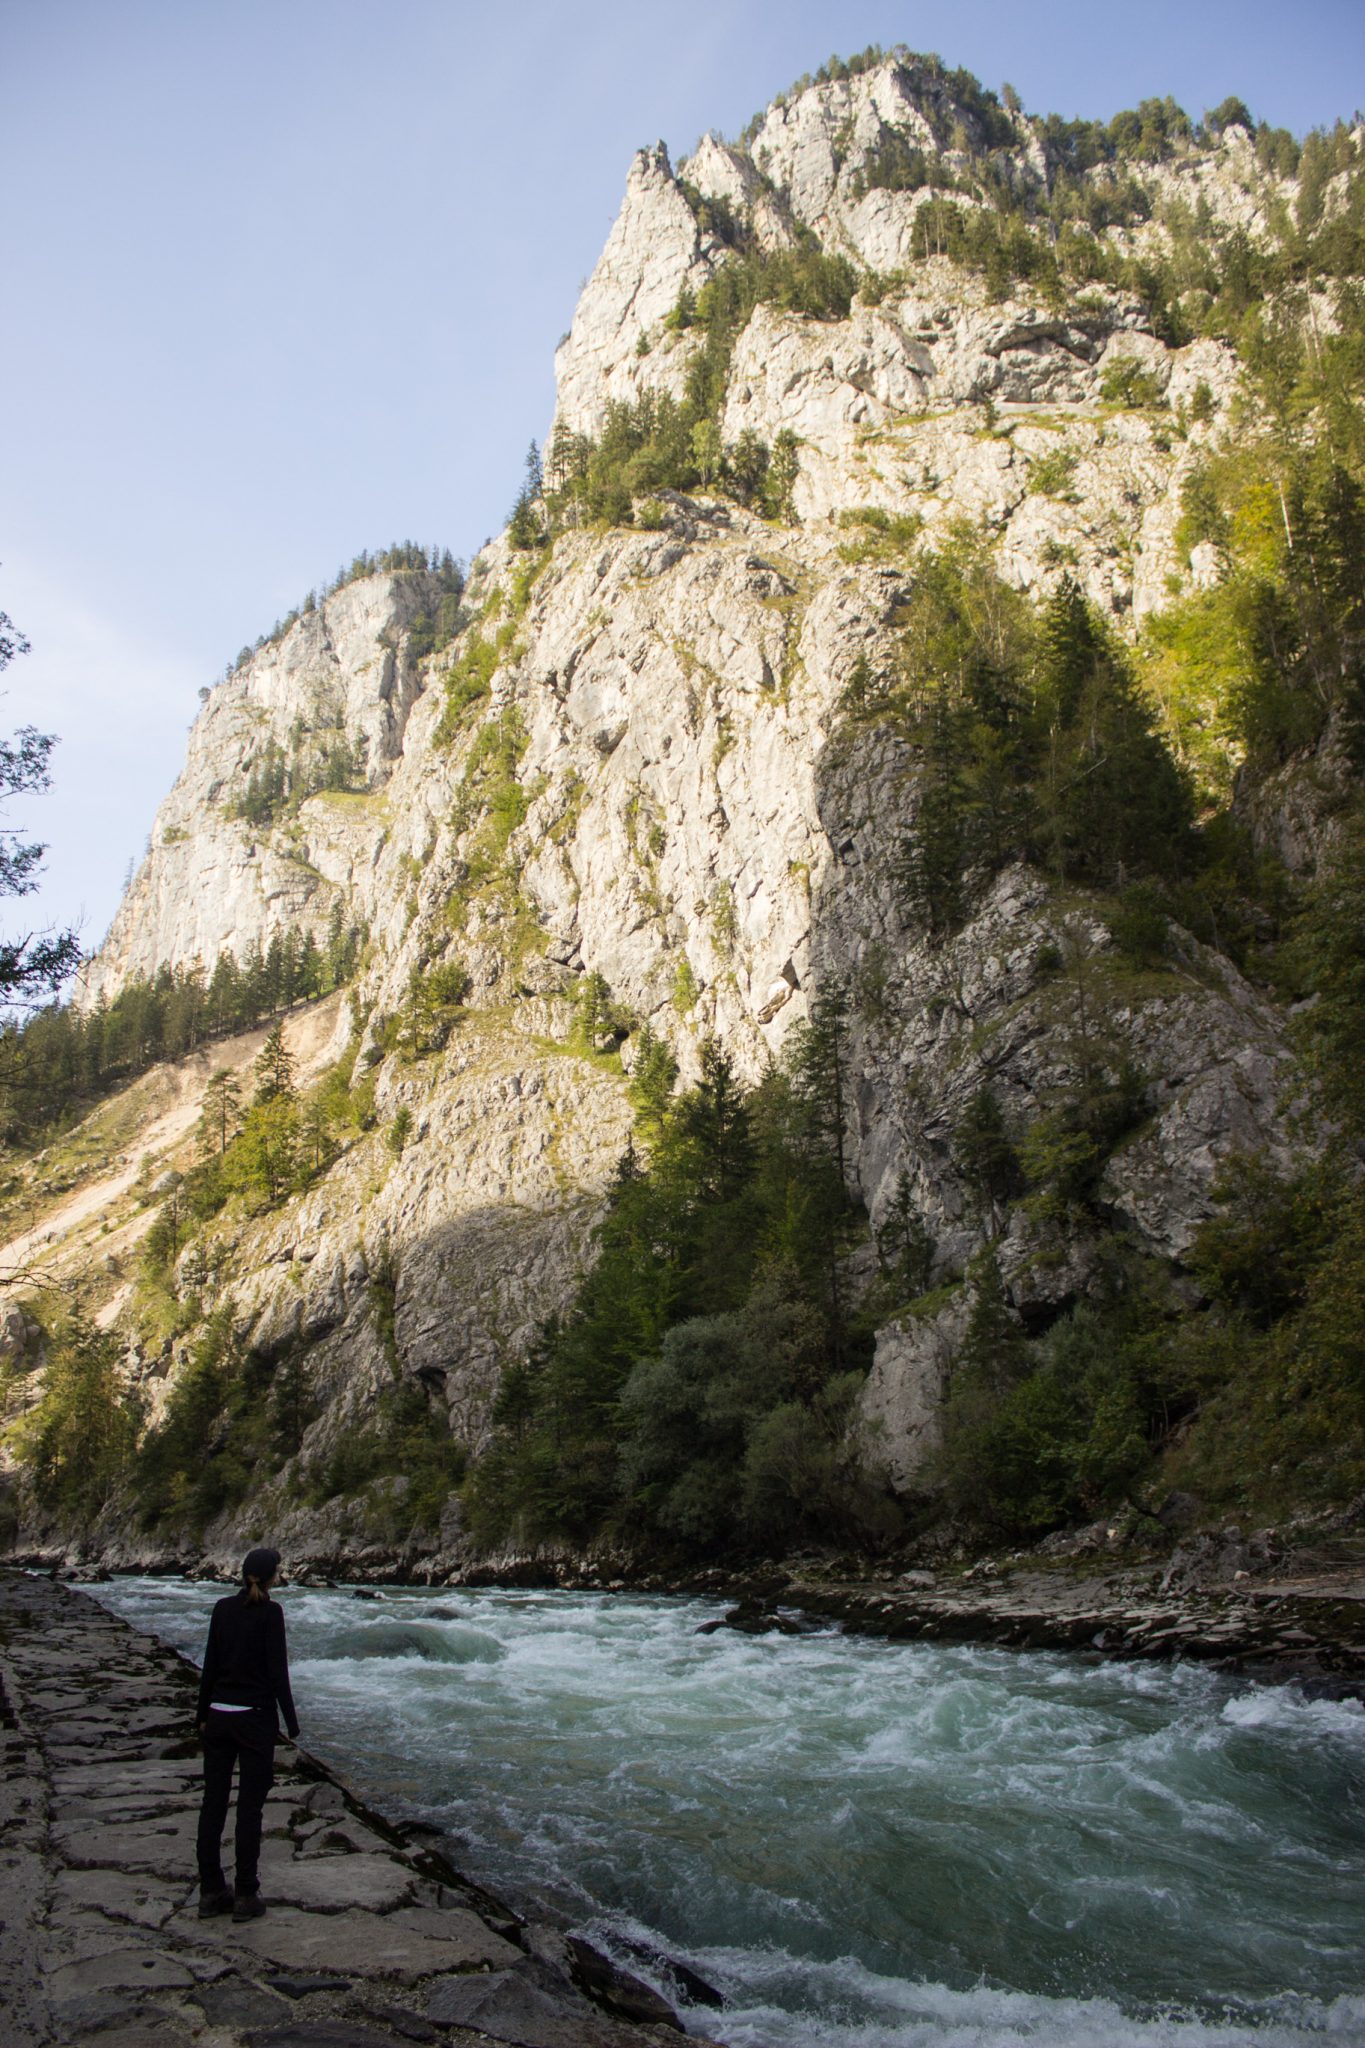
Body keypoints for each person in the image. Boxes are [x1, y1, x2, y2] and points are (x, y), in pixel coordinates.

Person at [194, 1546, 300, 1920]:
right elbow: (277, 1673)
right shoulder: (271, 1613)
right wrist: (291, 1722)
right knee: (249, 1809)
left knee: (213, 1805)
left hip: (219, 1716)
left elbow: (210, 1664)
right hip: (255, 1720)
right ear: (272, 1576)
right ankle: (245, 1894)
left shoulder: (223, 1608)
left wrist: (201, 1715)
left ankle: (209, 1891)